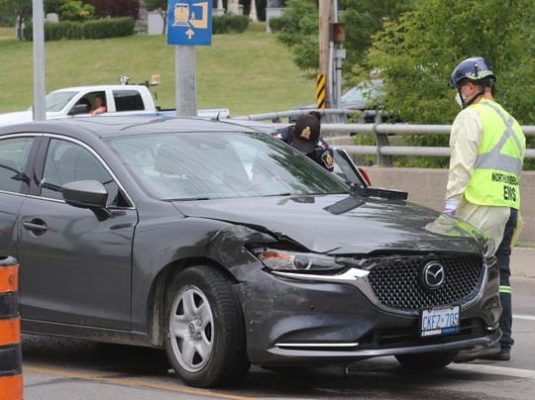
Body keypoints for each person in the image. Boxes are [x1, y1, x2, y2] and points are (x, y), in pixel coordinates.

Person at [446, 57, 525, 361]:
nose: (459, 95)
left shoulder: (471, 117)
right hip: (508, 207)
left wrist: (451, 206)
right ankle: (501, 341)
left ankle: (475, 339)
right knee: (499, 277)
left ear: (469, 87)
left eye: (459, 88)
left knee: (468, 274)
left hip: (480, 206)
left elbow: (461, 166)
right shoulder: (511, 122)